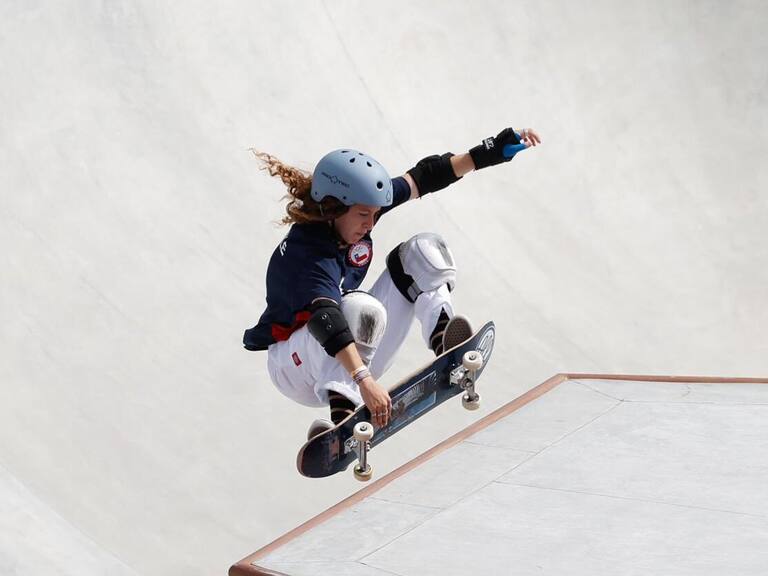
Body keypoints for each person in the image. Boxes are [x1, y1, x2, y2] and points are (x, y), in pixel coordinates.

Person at [244, 127, 541, 438]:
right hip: (295, 366)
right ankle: (344, 415)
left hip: (345, 351)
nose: (370, 224)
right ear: (333, 207)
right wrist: (365, 381)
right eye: (363, 215)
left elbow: (424, 177)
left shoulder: (356, 210)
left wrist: (489, 153)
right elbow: (325, 319)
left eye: (375, 214)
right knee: (358, 307)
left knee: (424, 251)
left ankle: (443, 339)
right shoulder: (310, 254)